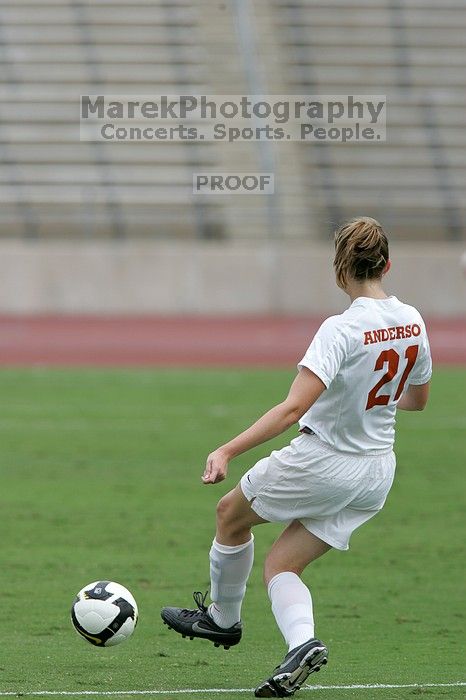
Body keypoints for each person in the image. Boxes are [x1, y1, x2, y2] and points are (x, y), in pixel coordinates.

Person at [161, 217, 432, 698]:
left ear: (338, 271)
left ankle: (223, 619)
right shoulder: (413, 319)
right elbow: (416, 398)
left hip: (325, 460)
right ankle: (301, 645)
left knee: (229, 514)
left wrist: (227, 449)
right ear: (387, 264)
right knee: (282, 566)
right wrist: (370, 398)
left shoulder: (341, 329)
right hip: (376, 473)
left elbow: (292, 410)